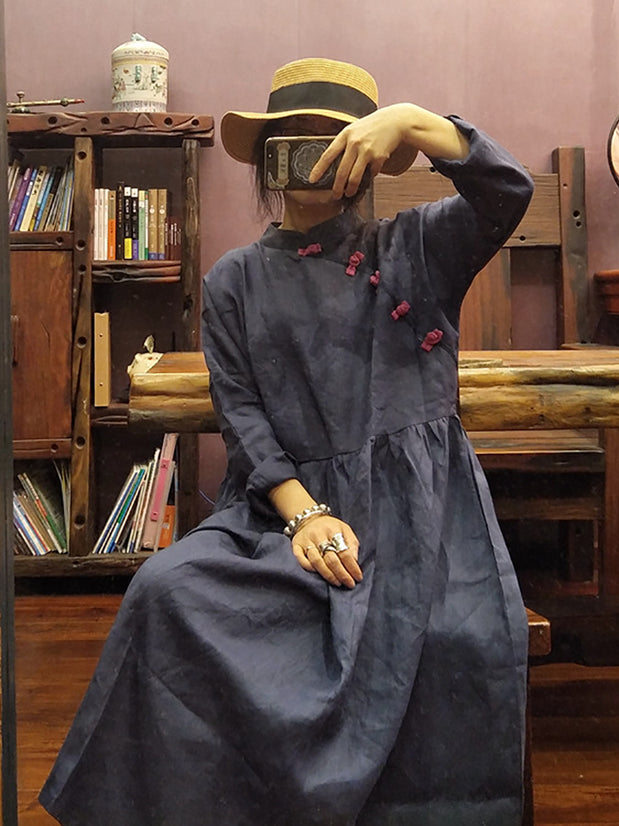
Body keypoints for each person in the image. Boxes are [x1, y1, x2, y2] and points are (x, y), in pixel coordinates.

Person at [40, 57, 534, 825]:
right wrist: (304, 515)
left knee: (452, 634)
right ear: (266, 158)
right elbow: (243, 416)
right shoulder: (233, 281)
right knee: (164, 591)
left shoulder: (418, 248)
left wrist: (412, 121)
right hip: (280, 513)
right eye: (293, 140)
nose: (314, 156)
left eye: (334, 141)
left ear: (366, 153)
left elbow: (508, 192)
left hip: (421, 519)